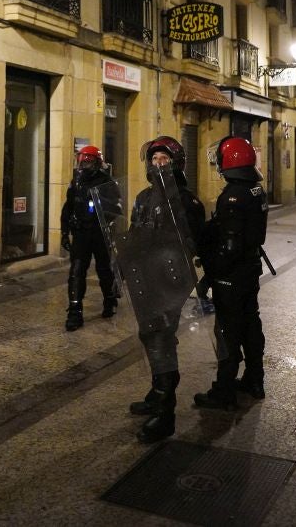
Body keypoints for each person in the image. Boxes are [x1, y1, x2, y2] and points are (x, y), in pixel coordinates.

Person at [126, 136, 205, 443]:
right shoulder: (144, 197)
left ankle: (165, 412)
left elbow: (194, 241)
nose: (158, 164)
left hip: (171, 280)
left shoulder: (185, 201)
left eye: (164, 159)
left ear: (176, 164)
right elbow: (134, 232)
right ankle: (157, 392)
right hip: (146, 278)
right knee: (150, 336)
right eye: (155, 159)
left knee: (160, 339)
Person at [194, 136, 269, 412]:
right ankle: (254, 380)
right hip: (250, 269)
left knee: (227, 331)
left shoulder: (233, 195)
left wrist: (211, 274)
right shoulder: (256, 190)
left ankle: (224, 391)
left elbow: (229, 246)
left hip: (232, 275)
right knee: (251, 324)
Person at [60, 145, 121, 331]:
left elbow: (116, 209)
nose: (83, 165)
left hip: (100, 233)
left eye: (87, 162)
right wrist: (64, 232)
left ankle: (110, 300)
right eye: (81, 161)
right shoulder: (77, 181)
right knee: (76, 271)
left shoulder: (107, 182)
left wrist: (101, 208)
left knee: (104, 270)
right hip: (81, 233)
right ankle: (75, 311)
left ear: (96, 163)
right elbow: (68, 207)